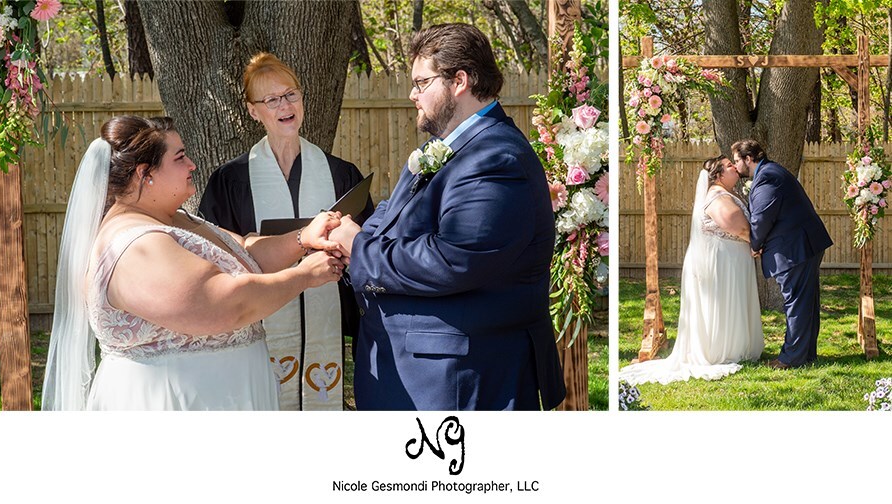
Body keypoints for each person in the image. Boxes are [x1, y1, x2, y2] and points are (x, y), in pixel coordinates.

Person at [330, 23, 566, 410]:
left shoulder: (496, 159)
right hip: (415, 369)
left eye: (421, 83)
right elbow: (388, 213)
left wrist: (358, 249)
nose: (412, 94)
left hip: (457, 380)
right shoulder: (443, 148)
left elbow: (452, 258)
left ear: (460, 80)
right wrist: (350, 236)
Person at [41, 115, 346, 410]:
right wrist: (305, 275)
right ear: (144, 174)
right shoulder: (136, 246)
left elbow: (244, 253)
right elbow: (226, 303)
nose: (192, 165)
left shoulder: (174, 218)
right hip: (178, 402)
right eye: (180, 158)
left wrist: (303, 238)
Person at [199, 52, 373, 410]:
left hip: (326, 320)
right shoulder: (231, 181)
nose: (285, 105)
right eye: (272, 99)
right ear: (253, 110)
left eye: (291, 94)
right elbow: (214, 257)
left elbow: (367, 248)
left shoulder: (340, 174)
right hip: (257, 327)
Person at [619, 157, 764, 386]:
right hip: (722, 262)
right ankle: (720, 351)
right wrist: (756, 244)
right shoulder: (717, 197)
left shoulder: (725, 194)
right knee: (723, 302)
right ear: (717, 175)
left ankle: (736, 346)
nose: (735, 168)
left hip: (732, 260)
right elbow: (740, 227)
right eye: (729, 166)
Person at [732, 139, 832, 369]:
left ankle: (790, 359)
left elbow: (762, 217)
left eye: (737, 160)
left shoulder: (768, 176)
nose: (736, 166)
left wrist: (755, 244)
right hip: (803, 244)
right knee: (805, 302)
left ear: (748, 159)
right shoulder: (771, 171)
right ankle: (805, 355)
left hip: (794, 247)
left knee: (796, 302)